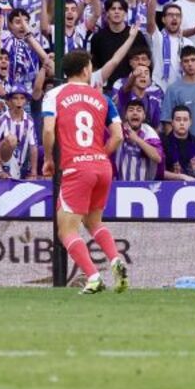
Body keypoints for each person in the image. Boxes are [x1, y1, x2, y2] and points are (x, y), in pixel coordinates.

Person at [40, 50, 129, 294]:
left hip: (76, 167)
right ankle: (115, 260)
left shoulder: (54, 95)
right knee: (93, 222)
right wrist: (99, 154)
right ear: (86, 70)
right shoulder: (103, 98)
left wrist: (48, 159)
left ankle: (93, 277)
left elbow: (48, 131)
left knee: (66, 230)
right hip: (102, 165)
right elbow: (119, 136)